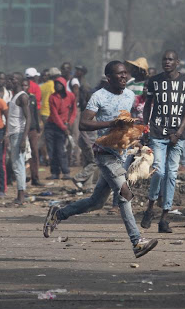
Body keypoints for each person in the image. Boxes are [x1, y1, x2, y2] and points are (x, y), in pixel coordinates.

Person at [43, 61, 158, 259]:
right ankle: (137, 241)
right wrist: (110, 123)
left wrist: (135, 138)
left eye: (125, 74)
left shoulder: (129, 95)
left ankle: (58, 214)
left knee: (96, 202)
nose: (123, 77)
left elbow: (125, 124)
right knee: (125, 195)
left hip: (121, 154)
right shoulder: (99, 97)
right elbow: (84, 123)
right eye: (118, 74)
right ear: (109, 77)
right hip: (104, 154)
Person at [141, 50, 185, 233]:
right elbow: (148, 105)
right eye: (164, 59)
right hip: (157, 132)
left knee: (172, 174)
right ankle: (150, 207)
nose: (167, 62)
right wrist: (144, 128)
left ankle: (164, 218)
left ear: (177, 62)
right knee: (159, 172)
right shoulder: (154, 81)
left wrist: (178, 132)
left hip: (177, 136)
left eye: (170, 59)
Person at [6, 72, 31, 204]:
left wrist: (23, 139)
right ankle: (20, 194)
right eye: (9, 79)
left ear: (20, 82)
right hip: (13, 134)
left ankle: (21, 196)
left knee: (18, 165)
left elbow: (29, 119)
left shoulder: (22, 97)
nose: (9, 81)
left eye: (12, 79)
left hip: (19, 134)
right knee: (17, 164)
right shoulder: (13, 96)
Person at [45, 76, 76, 179]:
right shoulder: (52, 97)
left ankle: (65, 171)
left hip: (63, 126)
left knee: (61, 150)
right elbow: (54, 115)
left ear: (64, 85)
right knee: (51, 150)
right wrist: (64, 127)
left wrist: (70, 123)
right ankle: (55, 172)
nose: (57, 86)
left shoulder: (71, 96)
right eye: (56, 84)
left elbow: (73, 111)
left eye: (60, 84)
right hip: (52, 126)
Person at [23, 78, 43, 186]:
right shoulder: (18, 98)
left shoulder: (32, 98)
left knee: (34, 152)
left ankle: (35, 177)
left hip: (32, 129)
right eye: (23, 85)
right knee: (23, 154)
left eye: (26, 85)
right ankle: (22, 178)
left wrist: (38, 127)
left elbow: (35, 112)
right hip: (22, 130)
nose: (24, 87)